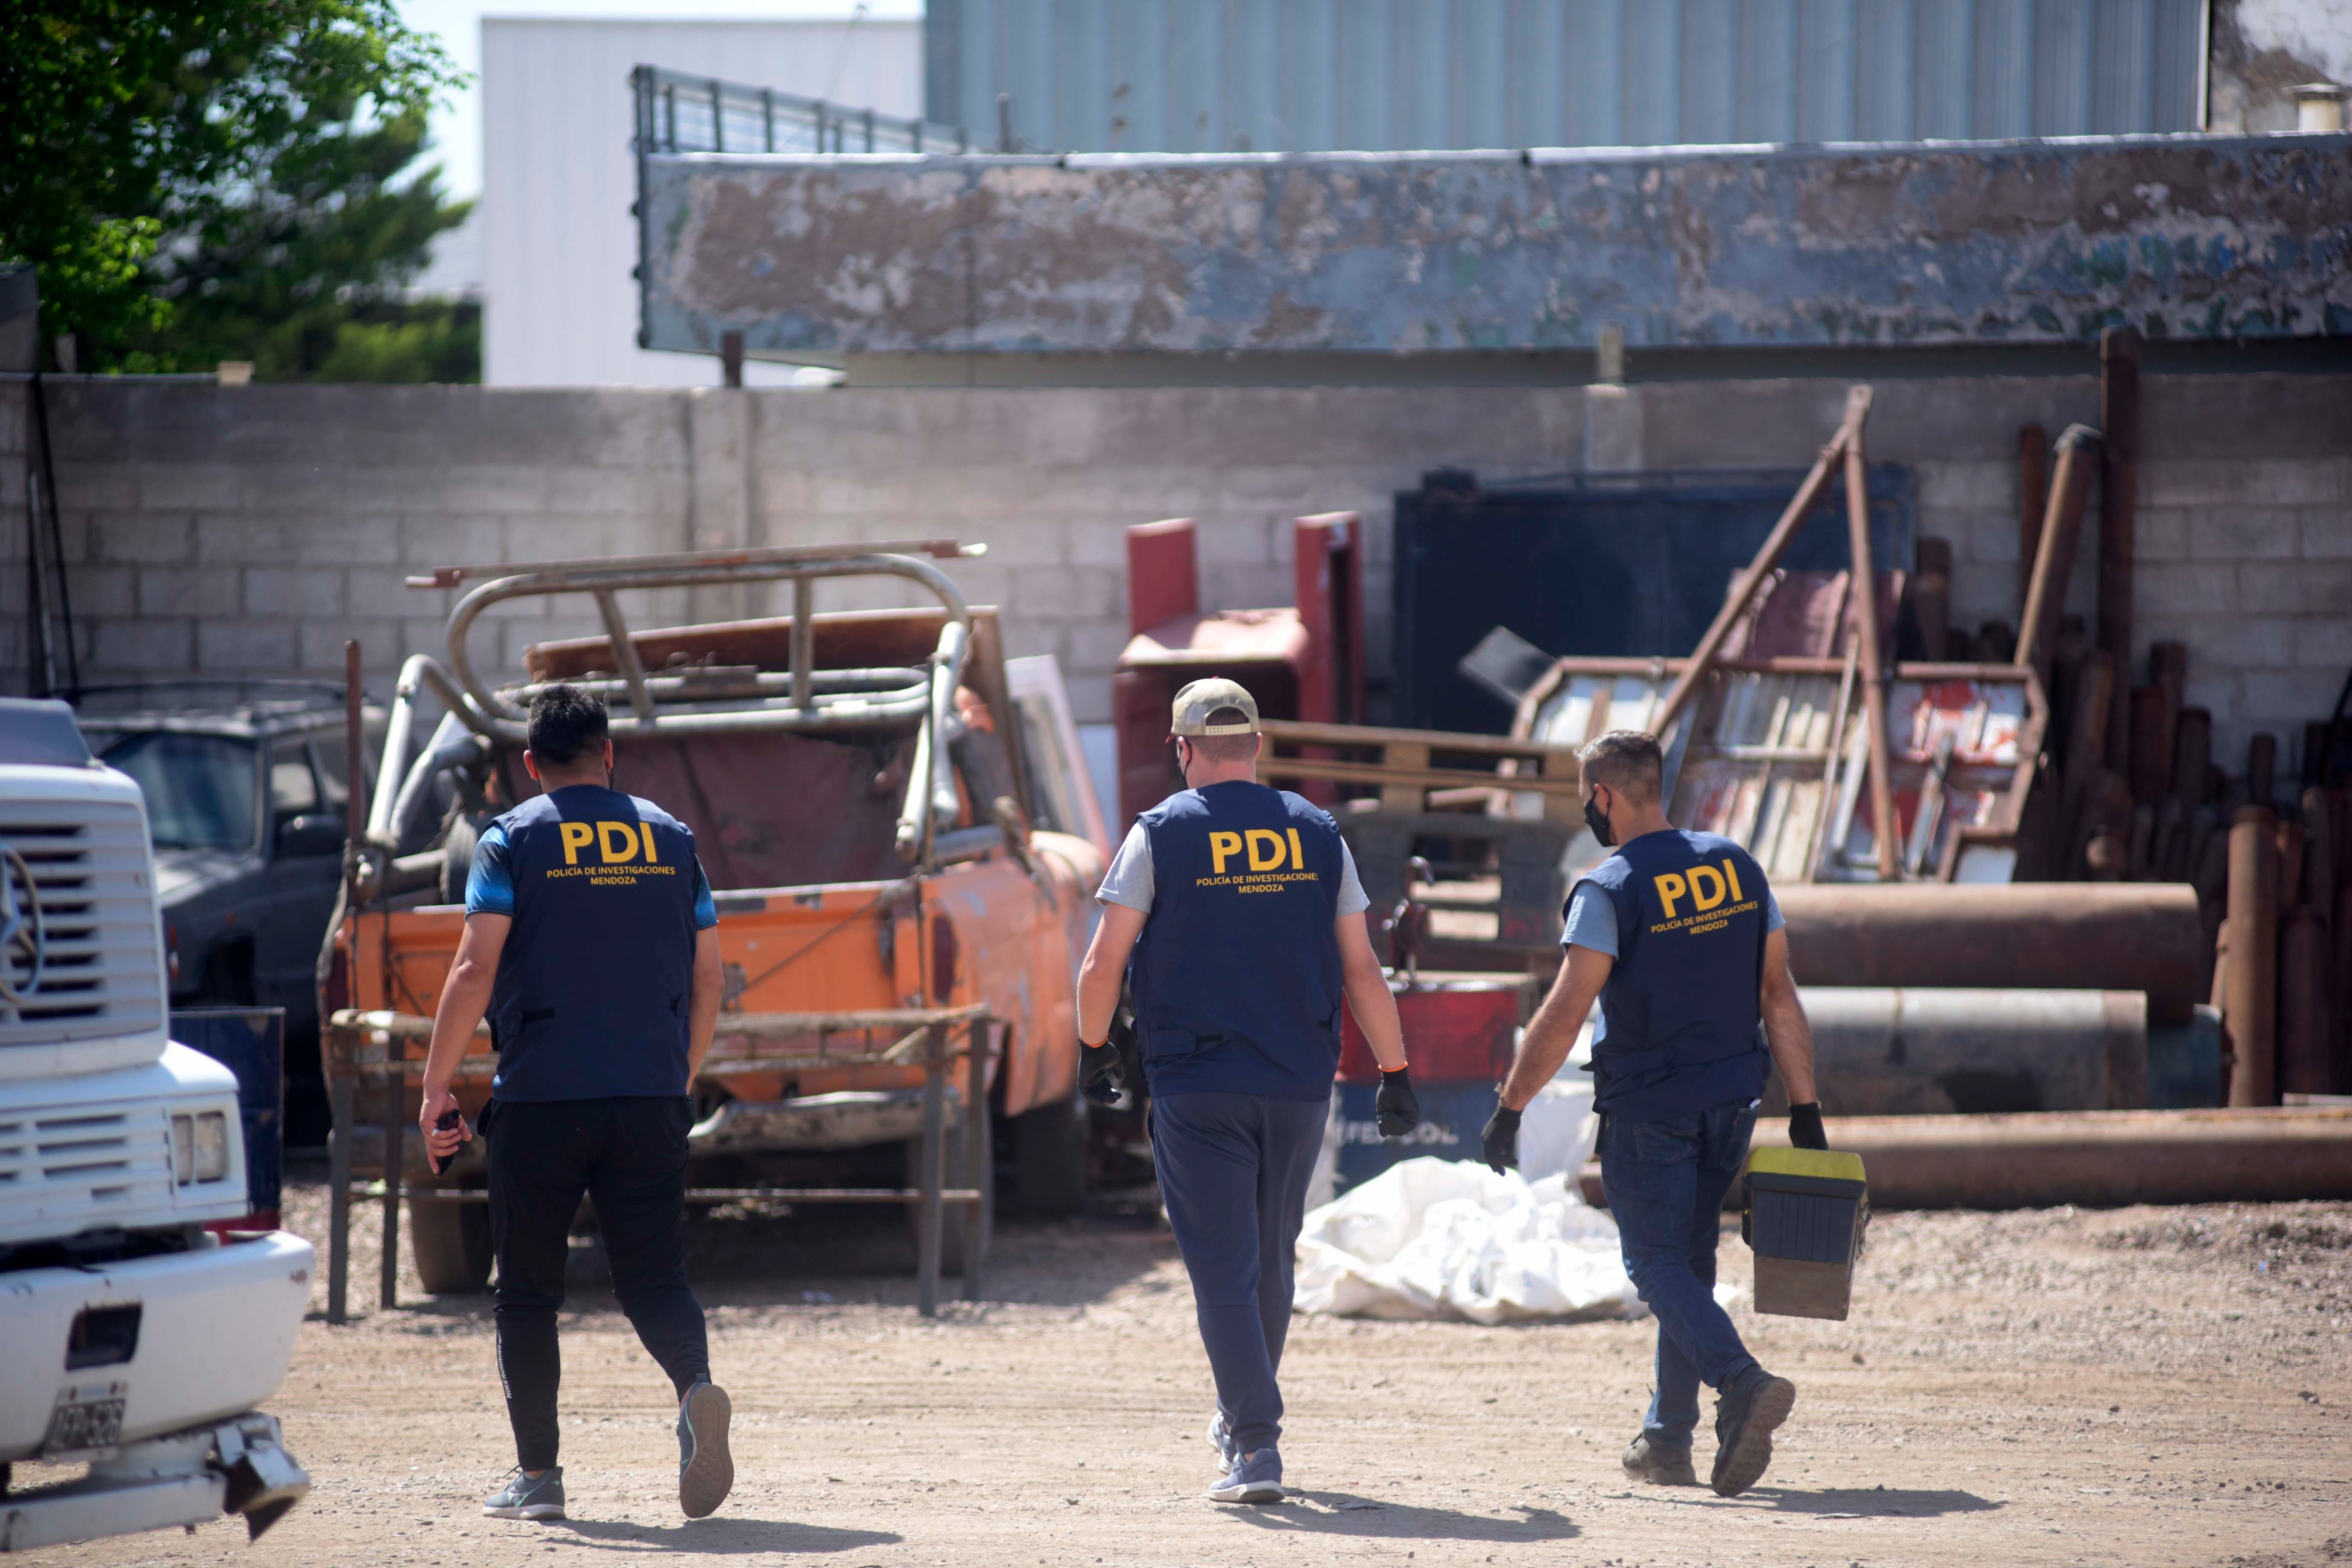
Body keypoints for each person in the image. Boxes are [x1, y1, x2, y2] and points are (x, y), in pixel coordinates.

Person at [1075, 678, 1420, 1506]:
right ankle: (1244, 1421)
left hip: (1198, 1085)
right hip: (1298, 1084)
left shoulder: (1159, 833)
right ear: (1257, 745)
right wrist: (1396, 1071)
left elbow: (1102, 963)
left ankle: (1255, 1443)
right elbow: (1362, 968)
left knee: (1223, 1268)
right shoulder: (1317, 832)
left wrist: (1093, 1052)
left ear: (1184, 748)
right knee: (1269, 1258)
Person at [1478, 729, 1828, 1499]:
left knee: (1655, 1263)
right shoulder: (1737, 866)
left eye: (1585, 797)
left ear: (1602, 795)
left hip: (1651, 1106)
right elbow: (1778, 991)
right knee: (1690, 1259)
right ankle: (1668, 1437)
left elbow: (1568, 1007)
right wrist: (1806, 1105)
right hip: (1733, 1099)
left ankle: (1740, 1383)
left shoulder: (1609, 888)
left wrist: (1511, 1105)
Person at [418, 685, 734, 1524]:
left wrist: (435, 1084)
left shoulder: (509, 839)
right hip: (650, 1093)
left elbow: (473, 969)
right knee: (655, 1276)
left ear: (530, 763)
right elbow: (709, 977)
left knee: (527, 1291)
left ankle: (541, 1478)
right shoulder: (672, 838)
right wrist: (679, 1069)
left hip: (544, 1096)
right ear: (610, 751)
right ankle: (696, 1387)